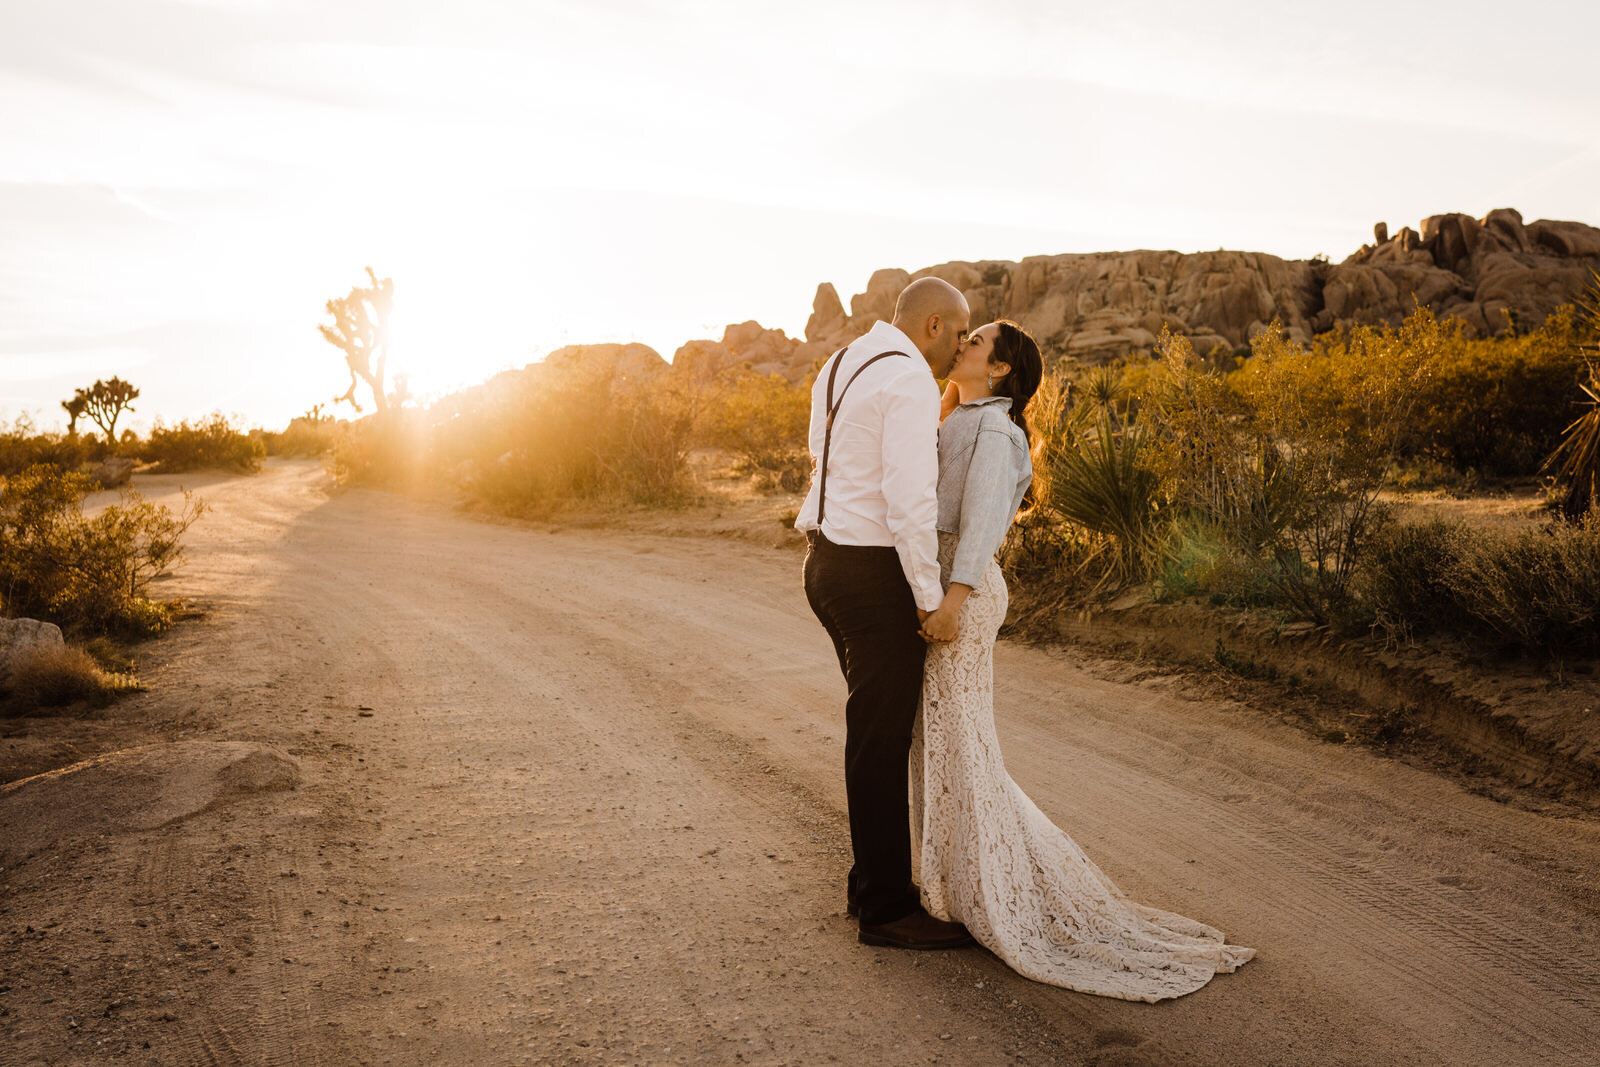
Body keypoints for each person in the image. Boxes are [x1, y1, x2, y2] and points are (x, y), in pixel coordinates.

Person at [911, 319, 1257, 1001]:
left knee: (958, 739)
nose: (962, 344)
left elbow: (980, 521)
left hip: (963, 592)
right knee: (945, 739)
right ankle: (952, 879)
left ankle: (983, 889)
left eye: (977, 341)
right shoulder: (958, 416)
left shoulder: (995, 431)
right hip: (944, 587)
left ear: (1003, 370)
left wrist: (953, 600)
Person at [796, 277, 975, 950]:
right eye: (959, 333)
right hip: (871, 576)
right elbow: (909, 504)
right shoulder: (907, 382)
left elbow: (824, 458)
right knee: (880, 739)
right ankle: (886, 907)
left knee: (871, 733)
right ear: (933, 326)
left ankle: (869, 882)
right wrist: (931, 600)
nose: (962, 346)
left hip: (823, 562)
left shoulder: (841, 362)